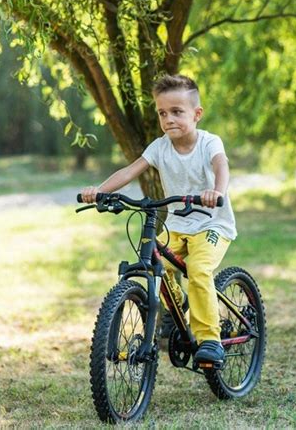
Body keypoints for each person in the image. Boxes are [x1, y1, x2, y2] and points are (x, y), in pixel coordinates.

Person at [81, 74, 237, 364]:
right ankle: (177, 310)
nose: (169, 119)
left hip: (211, 224)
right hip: (177, 226)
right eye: (162, 113)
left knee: (198, 269)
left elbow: (221, 165)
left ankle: (210, 339)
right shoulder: (159, 146)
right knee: (157, 266)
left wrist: (217, 191)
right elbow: (129, 171)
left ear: (196, 114)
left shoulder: (208, 143)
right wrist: (100, 191)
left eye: (177, 112)